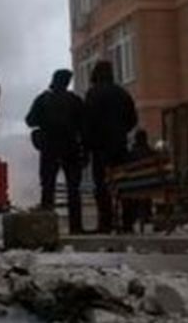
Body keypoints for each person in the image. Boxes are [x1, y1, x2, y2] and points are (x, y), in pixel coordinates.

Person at [25, 69, 85, 234]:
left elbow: (30, 120)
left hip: (49, 149)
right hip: (71, 148)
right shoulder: (74, 100)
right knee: (74, 189)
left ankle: (47, 228)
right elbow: (84, 125)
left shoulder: (43, 99)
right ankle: (76, 227)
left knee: (48, 187)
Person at [83, 60, 138, 234]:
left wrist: (88, 144)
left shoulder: (93, 94)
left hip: (99, 147)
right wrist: (120, 132)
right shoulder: (122, 93)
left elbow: (88, 122)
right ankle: (127, 222)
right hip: (119, 145)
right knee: (123, 183)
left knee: (101, 185)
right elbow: (132, 119)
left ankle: (105, 222)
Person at [121, 129, 154, 233]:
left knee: (132, 192)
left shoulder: (131, 154)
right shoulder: (152, 153)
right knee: (144, 189)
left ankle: (130, 220)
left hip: (134, 187)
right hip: (152, 186)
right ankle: (146, 214)